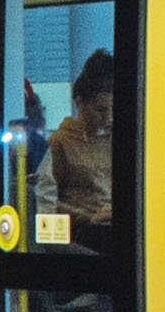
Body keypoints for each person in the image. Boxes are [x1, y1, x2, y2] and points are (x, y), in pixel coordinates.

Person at [43, 50, 119, 234]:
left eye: (112, 110)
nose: (108, 118)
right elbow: (45, 198)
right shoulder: (60, 142)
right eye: (100, 110)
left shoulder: (115, 139)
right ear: (79, 102)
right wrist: (86, 217)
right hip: (83, 230)